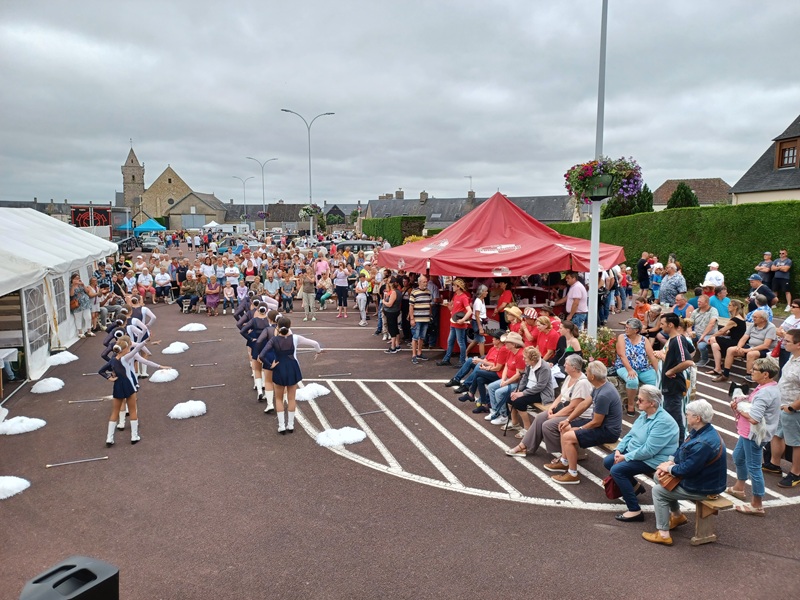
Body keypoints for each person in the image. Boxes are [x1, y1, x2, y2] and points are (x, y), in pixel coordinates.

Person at [642, 400, 727, 546]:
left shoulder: (703, 443)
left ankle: (663, 534)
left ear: (697, 418)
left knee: (658, 491)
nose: (685, 416)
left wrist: (668, 468)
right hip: (702, 479)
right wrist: (670, 462)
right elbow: (683, 449)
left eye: (688, 414)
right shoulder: (703, 431)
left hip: (705, 487)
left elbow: (687, 470)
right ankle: (677, 516)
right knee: (658, 477)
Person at [604, 385, 679, 522]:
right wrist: (619, 450)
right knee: (608, 461)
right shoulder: (645, 414)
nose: (637, 402)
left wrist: (625, 457)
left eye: (640, 400)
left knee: (617, 470)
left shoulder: (663, 423)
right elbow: (630, 434)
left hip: (654, 459)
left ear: (652, 403)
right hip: (636, 452)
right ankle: (635, 487)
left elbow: (649, 451)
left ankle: (634, 510)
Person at [545, 360, 622, 485]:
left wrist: (579, 429)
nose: (585, 372)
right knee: (564, 427)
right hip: (601, 426)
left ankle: (572, 474)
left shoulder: (604, 394)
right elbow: (585, 404)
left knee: (568, 436)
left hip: (608, 431)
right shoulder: (600, 386)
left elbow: (596, 422)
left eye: (587, 371)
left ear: (592, 376)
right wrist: (567, 420)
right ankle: (565, 462)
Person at [505, 354, 592, 456]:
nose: (564, 365)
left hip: (578, 416)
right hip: (566, 410)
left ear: (574, 368)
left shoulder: (582, 383)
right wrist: (551, 407)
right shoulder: (569, 377)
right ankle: (524, 446)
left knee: (548, 425)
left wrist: (554, 416)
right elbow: (561, 395)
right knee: (540, 418)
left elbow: (573, 407)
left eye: (566, 364)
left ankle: (568, 454)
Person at [727, 357, 781, 515]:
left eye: (754, 369)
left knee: (754, 468)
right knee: (738, 456)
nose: (751, 371)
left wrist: (738, 409)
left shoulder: (764, 393)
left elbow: (754, 418)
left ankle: (757, 504)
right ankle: (739, 487)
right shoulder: (768, 386)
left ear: (765, 374)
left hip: (753, 435)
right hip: (748, 433)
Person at [98, 336, 170, 447]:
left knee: (115, 412)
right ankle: (134, 436)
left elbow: (101, 371)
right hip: (128, 385)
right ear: (125, 349)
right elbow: (137, 350)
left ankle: (109, 438)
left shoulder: (112, 360)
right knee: (132, 410)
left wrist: (109, 378)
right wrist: (146, 341)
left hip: (117, 385)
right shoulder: (126, 358)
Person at [261, 316, 323, 433]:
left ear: (277, 326)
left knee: (279, 398)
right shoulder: (295, 338)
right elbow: (314, 343)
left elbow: (262, 355)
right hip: (293, 368)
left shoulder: (273, 340)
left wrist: (270, 365)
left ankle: (281, 426)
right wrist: (318, 351)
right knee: (291, 398)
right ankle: (291, 425)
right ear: (290, 326)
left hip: (279, 368)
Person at [763, 328, 800, 488]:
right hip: (781, 404)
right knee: (776, 434)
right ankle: (774, 464)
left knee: (795, 442)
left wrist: (792, 407)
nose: (783, 343)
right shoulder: (793, 357)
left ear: (798, 345)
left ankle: (796, 473)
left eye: (787, 341)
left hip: (793, 408)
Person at [713, 310, 776, 384]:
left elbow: (766, 345)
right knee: (731, 350)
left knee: (751, 354)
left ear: (763, 319)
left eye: (755, 317)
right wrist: (739, 347)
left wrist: (749, 350)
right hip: (750, 346)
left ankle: (748, 378)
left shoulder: (771, 327)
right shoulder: (753, 325)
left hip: (764, 350)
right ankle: (725, 375)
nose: (753, 318)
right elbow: (744, 338)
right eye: (753, 316)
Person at [612, 318, 659, 415]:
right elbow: (622, 355)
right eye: (626, 327)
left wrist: (659, 371)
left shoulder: (644, 340)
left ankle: (651, 405)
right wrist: (629, 370)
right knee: (632, 380)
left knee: (657, 381)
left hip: (643, 368)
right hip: (624, 366)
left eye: (629, 328)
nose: (626, 329)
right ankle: (630, 404)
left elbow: (652, 356)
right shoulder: (622, 337)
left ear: (636, 330)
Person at [659, 312, 694, 442]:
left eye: (663, 324)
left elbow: (688, 361)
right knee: (671, 416)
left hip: (673, 385)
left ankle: (679, 446)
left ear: (671, 324)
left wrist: (671, 370)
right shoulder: (678, 339)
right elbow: (690, 349)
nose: (661, 327)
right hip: (670, 385)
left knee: (674, 418)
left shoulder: (677, 339)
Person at [506, 347, 554, 435]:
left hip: (542, 393)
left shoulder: (544, 368)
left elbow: (540, 386)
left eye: (525, 358)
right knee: (510, 398)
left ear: (533, 360)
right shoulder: (529, 364)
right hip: (530, 389)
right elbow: (524, 378)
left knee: (519, 402)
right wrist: (518, 389)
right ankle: (515, 423)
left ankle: (528, 428)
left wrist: (522, 393)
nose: (523, 359)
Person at [485, 331, 526, 425]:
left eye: (507, 342)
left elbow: (518, 375)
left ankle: (504, 416)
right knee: (491, 387)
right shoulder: (511, 352)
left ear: (514, 344)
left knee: (499, 392)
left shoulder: (520, 355)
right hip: (508, 379)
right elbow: (506, 366)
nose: (505, 344)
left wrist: (506, 382)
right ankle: (496, 411)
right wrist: (503, 379)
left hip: (517, 383)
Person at [436, 278, 472, 367]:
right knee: (452, 341)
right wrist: (449, 307)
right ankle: (448, 359)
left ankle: (461, 361)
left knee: (459, 342)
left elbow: (469, 311)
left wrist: (463, 320)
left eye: (454, 285)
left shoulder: (463, 297)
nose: (452, 287)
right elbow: (454, 309)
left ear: (458, 287)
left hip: (459, 323)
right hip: (454, 322)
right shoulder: (456, 296)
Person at [706, 299, 747, 377]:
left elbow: (722, 330)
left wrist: (712, 336)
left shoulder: (735, 319)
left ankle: (723, 356)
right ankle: (717, 368)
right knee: (715, 346)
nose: (728, 306)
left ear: (735, 307)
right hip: (734, 340)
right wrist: (727, 333)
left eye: (730, 305)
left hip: (735, 342)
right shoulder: (739, 318)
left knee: (712, 339)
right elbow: (734, 331)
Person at [689, 294, 718, 368]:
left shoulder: (713, 310)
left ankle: (704, 359)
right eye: (698, 301)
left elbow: (711, 324)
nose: (698, 303)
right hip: (696, 333)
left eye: (700, 302)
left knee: (701, 346)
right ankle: (687, 357)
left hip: (709, 334)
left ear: (706, 302)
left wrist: (703, 335)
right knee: (684, 339)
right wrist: (689, 332)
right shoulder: (695, 311)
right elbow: (689, 324)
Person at [409, 274, 432, 363]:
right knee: (415, 337)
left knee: (422, 337)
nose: (425, 283)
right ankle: (414, 355)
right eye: (424, 282)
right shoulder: (414, 292)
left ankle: (419, 353)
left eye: (426, 282)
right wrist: (412, 318)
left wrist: (430, 315)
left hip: (425, 318)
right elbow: (411, 306)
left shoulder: (428, 292)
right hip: (417, 319)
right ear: (419, 282)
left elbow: (430, 305)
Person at [466, 285, 489, 358]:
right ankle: (482, 358)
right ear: (482, 292)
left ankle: (465, 353)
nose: (487, 293)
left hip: (478, 321)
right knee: (481, 340)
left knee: (476, 339)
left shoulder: (481, 300)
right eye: (485, 291)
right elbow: (477, 315)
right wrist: (480, 327)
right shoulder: (478, 301)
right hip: (477, 322)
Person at [69, 273, 93, 338]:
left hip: (85, 302)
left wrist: (83, 285)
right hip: (77, 304)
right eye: (75, 278)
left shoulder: (81, 285)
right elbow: (71, 295)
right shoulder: (71, 286)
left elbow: (87, 291)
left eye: (78, 278)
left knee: (88, 317)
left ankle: (89, 330)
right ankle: (80, 332)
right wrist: (74, 285)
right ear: (72, 280)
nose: (77, 280)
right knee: (78, 318)